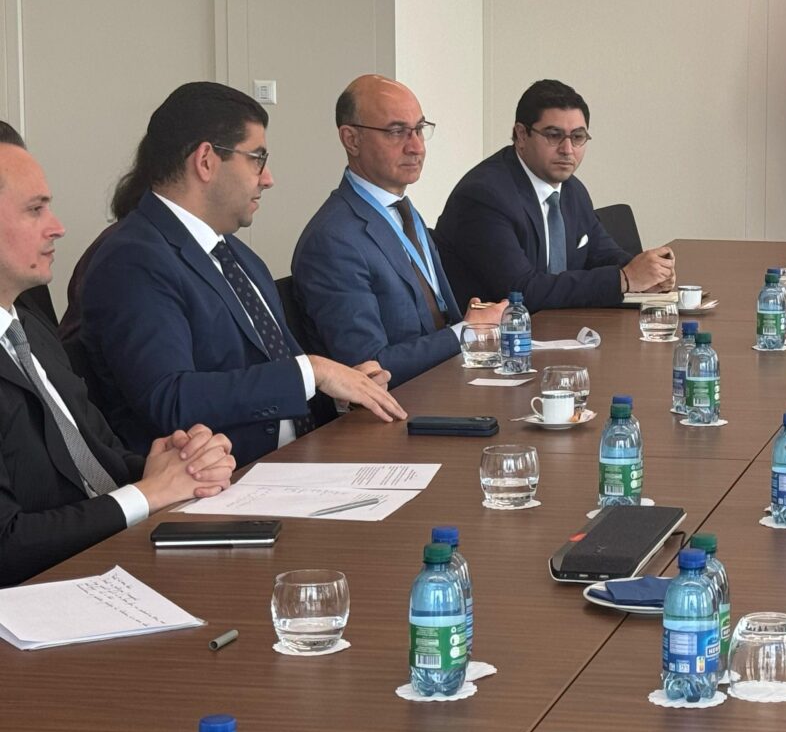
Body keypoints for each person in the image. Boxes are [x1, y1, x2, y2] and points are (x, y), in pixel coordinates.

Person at [77, 82, 407, 466]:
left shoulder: (237, 254)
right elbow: (169, 398)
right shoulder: (132, 260)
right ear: (206, 161)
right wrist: (312, 371)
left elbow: (280, 378)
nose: (268, 178)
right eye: (257, 158)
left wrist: (343, 393)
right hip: (225, 480)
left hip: (301, 461)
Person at [0, 125, 235, 587]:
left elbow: (95, 453)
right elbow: (6, 545)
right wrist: (148, 494)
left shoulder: (27, 324)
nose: (57, 227)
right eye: (35, 209)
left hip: (111, 559)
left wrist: (177, 464)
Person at [291, 76, 507, 386]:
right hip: (402, 403)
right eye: (396, 132)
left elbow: (437, 320)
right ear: (351, 139)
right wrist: (466, 332)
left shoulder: (403, 210)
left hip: (448, 381)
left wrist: (471, 324)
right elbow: (370, 370)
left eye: (419, 129)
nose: (416, 147)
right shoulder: (332, 240)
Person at [434, 79, 675, 312]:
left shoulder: (573, 190)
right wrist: (624, 279)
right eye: (554, 135)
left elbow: (602, 254)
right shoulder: (485, 196)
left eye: (577, 137)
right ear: (521, 135)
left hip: (555, 326)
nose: (567, 150)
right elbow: (522, 291)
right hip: (497, 334)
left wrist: (650, 272)